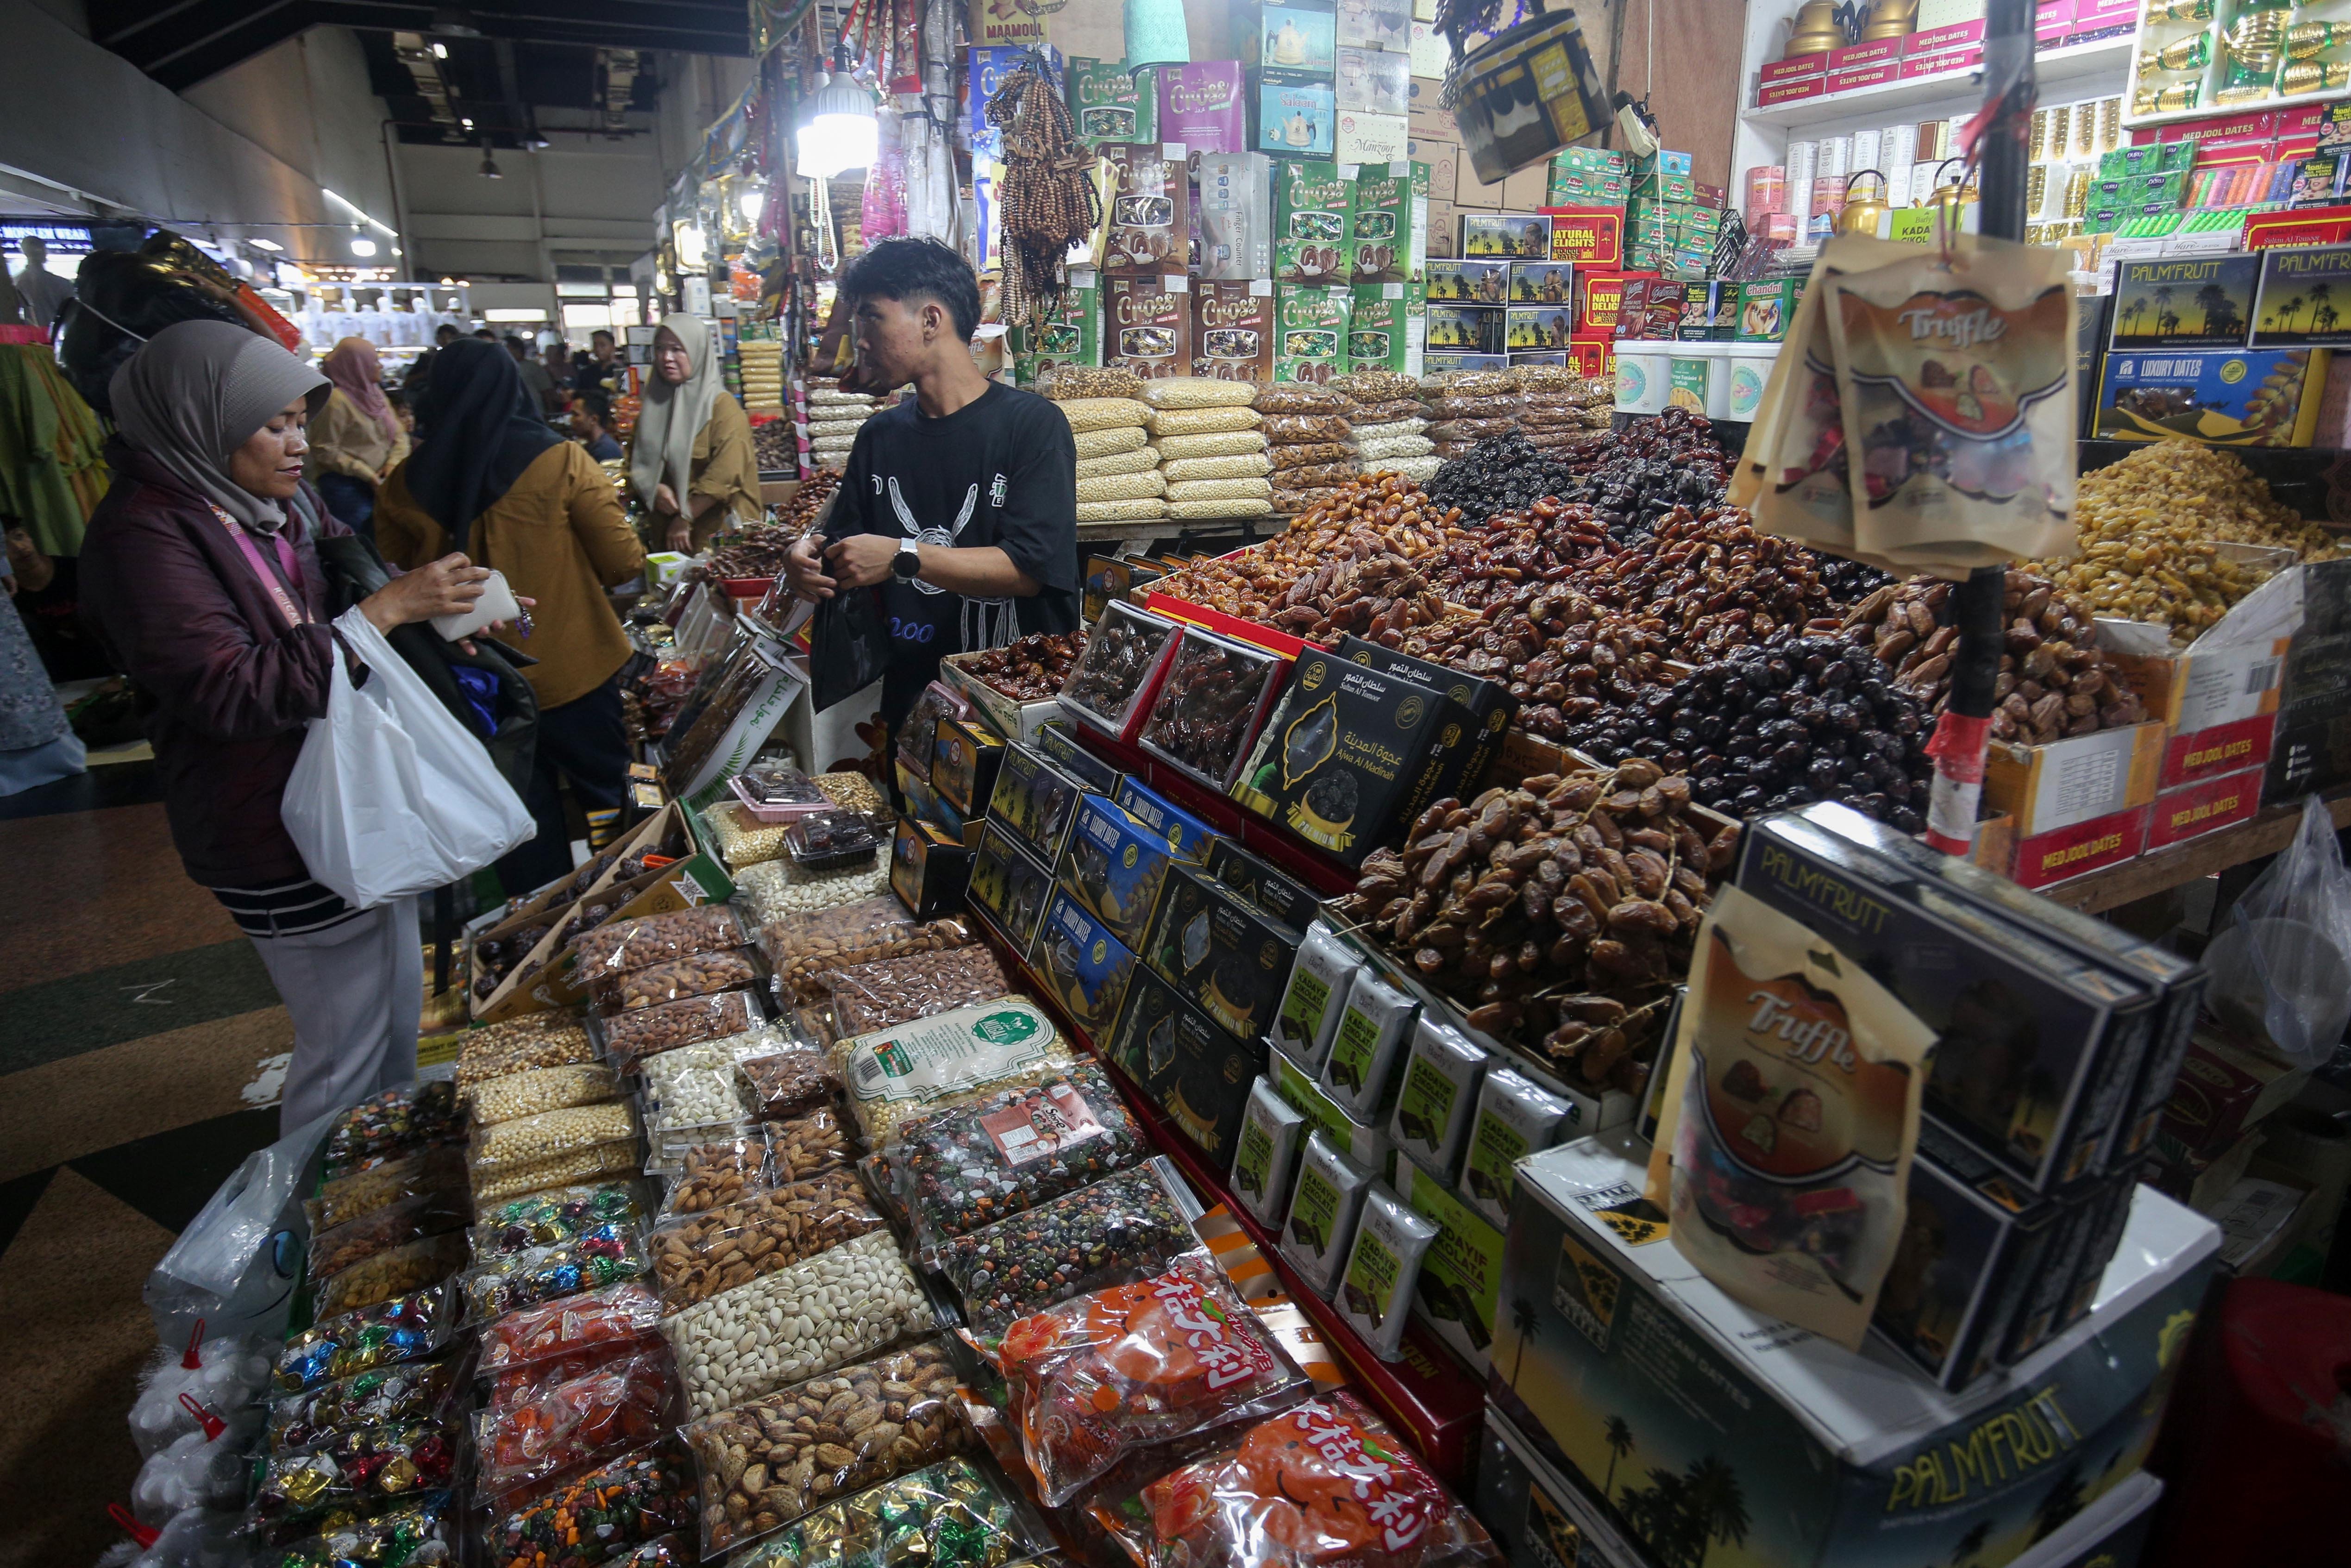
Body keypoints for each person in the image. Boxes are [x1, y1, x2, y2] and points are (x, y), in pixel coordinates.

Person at [77, 320, 502, 1129]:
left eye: (301, 421)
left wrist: (447, 611)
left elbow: (353, 582)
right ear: (198, 421)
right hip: (269, 822)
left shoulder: (281, 504)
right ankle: (315, 1218)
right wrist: (386, 612)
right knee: (341, 1047)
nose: (296, 444)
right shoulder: (145, 536)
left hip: (355, 794)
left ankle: (379, 1189)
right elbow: (229, 690)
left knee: (390, 1026)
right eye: (272, 426)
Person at [376, 338, 646, 895]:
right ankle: (627, 908)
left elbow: (398, 575)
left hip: (475, 684)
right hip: (576, 672)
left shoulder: (404, 483)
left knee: (521, 820)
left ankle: (536, 937)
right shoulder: (562, 460)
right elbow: (622, 562)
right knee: (609, 801)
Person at [784, 238, 1078, 737]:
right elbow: (845, 549)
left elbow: (1029, 568)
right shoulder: (879, 436)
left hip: (1009, 703)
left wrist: (903, 555)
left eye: (872, 317)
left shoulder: (1032, 426)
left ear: (931, 320)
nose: (862, 339)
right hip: (910, 699)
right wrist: (808, 560)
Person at [629, 312, 760, 554]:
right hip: (668, 535)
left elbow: (726, 473)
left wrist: (686, 517)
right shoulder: (655, 405)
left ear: (698, 351)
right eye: (660, 349)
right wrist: (653, 487)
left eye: (678, 349)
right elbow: (636, 459)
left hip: (716, 537)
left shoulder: (721, 408)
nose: (666, 358)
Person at [305, 336, 410, 540]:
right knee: (359, 539)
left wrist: (392, 465)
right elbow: (324, 449)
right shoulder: (336, 401)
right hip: (347, 486)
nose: (379, 366)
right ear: (357, 365)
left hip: (382, 481)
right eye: (374, 362)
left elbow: (400, 436)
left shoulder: (376, 396)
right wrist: (366, 474)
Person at [12, 237, 73, 330]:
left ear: (25, 253)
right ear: (43, 251)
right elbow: (72, 314)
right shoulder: (62, 283)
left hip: (31, 337)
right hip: (58, 335)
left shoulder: (16, 283)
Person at [507, 334, 559, 416]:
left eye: (508, 348)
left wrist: (551, 411)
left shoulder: (533, 367)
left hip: (534, 410)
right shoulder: (504, 368)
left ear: (517, 350)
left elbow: (546, 391)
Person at [570, 390, 624, 461]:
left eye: (576, 415)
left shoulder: (605, 450)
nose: (571, 420)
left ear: (594, 420)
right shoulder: (592, 446)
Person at [575, 328, 620, 394]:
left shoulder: (621, 371)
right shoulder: (586, 373)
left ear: (613, 347)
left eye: (603, 345)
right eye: (595, 345)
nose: (598, 349)